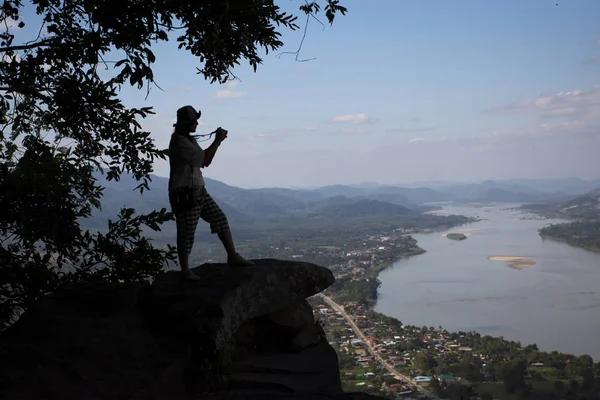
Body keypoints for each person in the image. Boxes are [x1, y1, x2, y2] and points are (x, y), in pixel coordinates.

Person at [168, 105, 254, 280]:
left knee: (219, 219)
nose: (196, 124)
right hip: (185, 193)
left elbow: (205, 162)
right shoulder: (179, 142)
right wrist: (217, 141)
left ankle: (232, 256)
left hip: (198, 190)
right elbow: (204, 160)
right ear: (186, 124)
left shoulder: (188, 140)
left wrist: (216, 142)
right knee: (186, 231)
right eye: (193, 122)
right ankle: (185, 270)